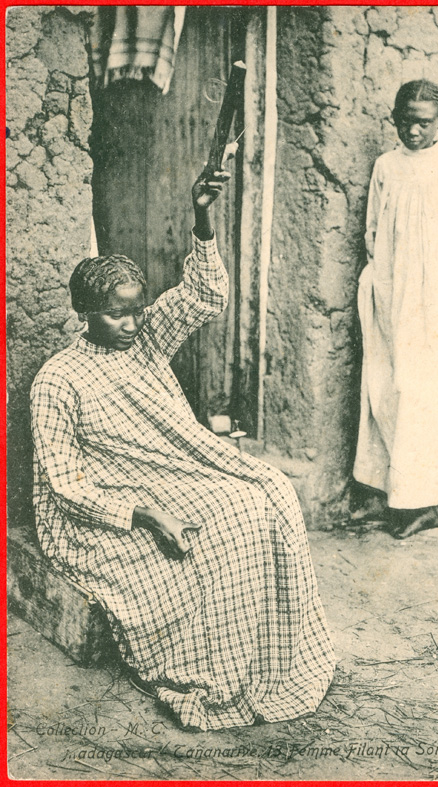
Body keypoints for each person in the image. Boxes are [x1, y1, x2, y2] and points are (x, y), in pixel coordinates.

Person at [30, 166, 335, 731]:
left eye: (136, 308)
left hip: (170, 473)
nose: (130, 322)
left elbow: (204, 293)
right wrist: (148, 515)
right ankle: (217, 671)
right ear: (83, 312)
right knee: (222, 525)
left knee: (265, 492)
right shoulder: (58, 378)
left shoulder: (144, 340)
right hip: (101, 510)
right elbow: (65, 484)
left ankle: (269, 660)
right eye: (115, 312)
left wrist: (201, 217)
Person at [353, 79, 438, 539]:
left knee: (431, 393)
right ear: (394, 119)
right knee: (393, 388)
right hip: (394, 293)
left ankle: (426, 501)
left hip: (437, 300)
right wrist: (392, 278)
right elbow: (372, 229)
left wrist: (436, 273)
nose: (413, 130)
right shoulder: (386, 166)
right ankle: (398, 493)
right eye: (404, 120)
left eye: (423, 122)